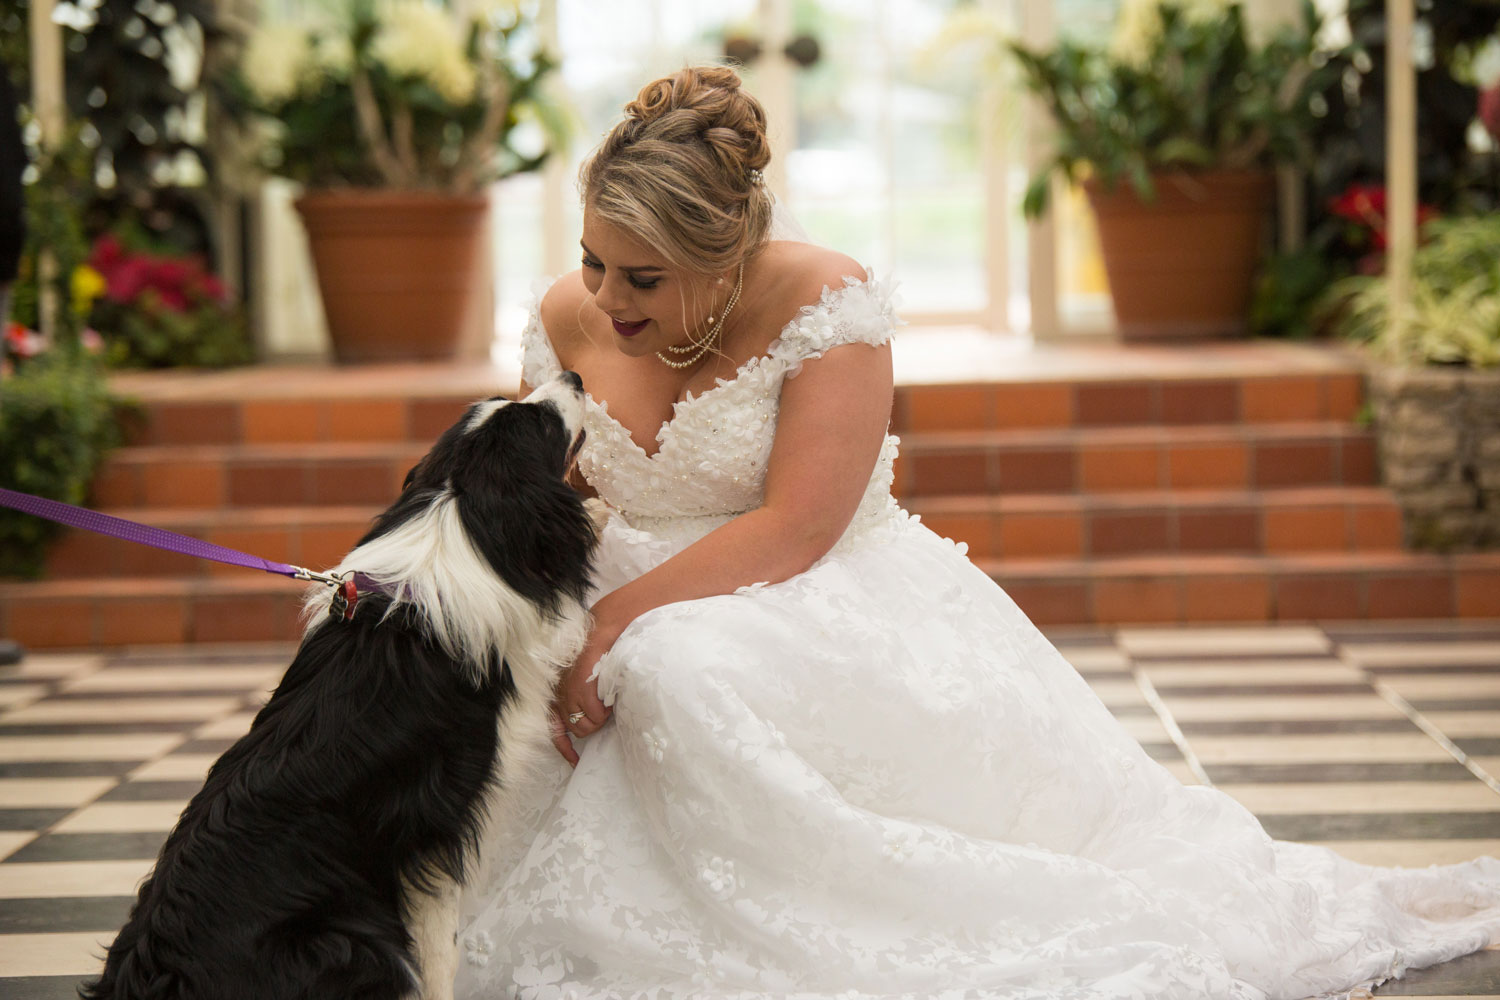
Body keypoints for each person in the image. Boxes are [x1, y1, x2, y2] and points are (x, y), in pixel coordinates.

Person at [456, 65, 1500, 1000]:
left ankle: (812, 926)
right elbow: (542, 497)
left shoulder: (826, 302)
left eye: (643, 278)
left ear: (726, 255)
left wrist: (615, 624)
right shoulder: (568, 316)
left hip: (801, 588)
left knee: (673, 665)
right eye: (594, 261)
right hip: (632, 576)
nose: (607, 299)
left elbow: (796, 524)